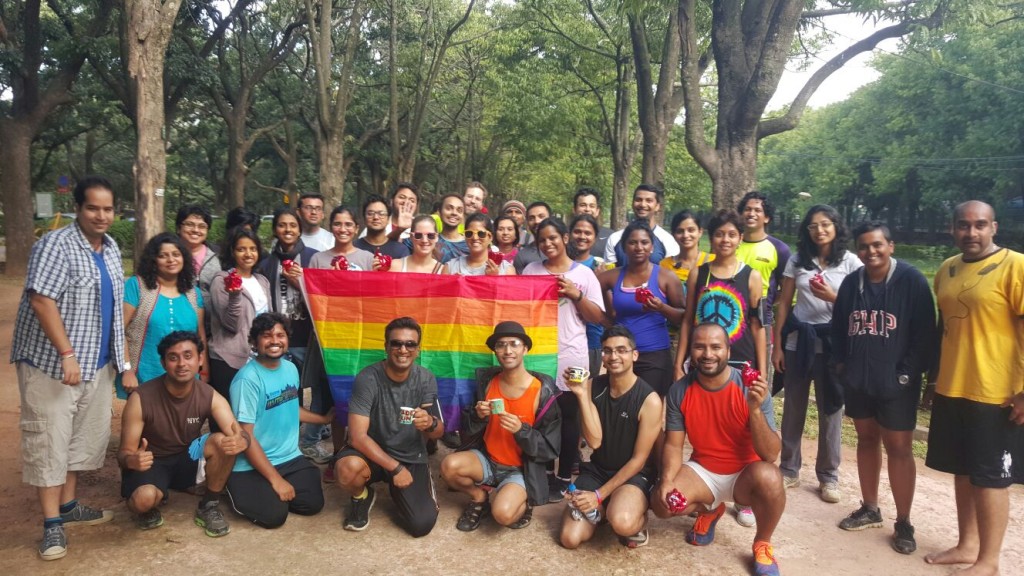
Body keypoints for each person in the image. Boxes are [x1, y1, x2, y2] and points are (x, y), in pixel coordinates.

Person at [12, 175, 126, 561]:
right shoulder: (55, 245)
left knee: (79, 437)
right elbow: (41, 299)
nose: (101, 215)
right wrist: (66, 353)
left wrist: (121, 362)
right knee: (49, 439)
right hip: (52, 364)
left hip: (97, 363)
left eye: (107, 209)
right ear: (78, 208)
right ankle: (51, 525)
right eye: (93, 207)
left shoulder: (110, 248)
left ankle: (68, 504)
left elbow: (112, 309)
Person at [923, 201, 1024, 574]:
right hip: (954, 387)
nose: (971, 233)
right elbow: (944, 328)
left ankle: (990, 560)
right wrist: (933, 381)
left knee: (991, 478)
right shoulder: (947, 269)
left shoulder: (1016, 266)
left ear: (994, 227)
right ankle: (967, 546)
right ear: (953, 229)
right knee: (962, 469)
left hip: (996, 393)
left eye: (980, 225)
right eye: (964, 226)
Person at [831, 221, 937, 555]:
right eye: (864, 246)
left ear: (890, 246)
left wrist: (907, 374)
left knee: (900, 448)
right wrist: (843, 367)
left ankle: (903, 520)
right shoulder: (852, 283)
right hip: (860, 379)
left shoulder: (912, 281)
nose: (871, 252)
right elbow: (838, 328)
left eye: (877, 245)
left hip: (897, 383)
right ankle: (870, 507)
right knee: (865, 440)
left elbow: (925, 335)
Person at [653, 323, 784, 576]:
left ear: (728, 350)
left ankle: (762, 543)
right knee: (662, 505)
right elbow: (673, 443)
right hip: (704, 471)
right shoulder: (680, 390)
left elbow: (770, 455)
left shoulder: (751, 387)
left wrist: (755, 410)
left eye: (715, 347)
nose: (708, 354)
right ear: (691, 350)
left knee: (771, 477)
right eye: (700, 347)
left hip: (747, 474)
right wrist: (666, 480)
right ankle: (710, 511)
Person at [772, 204, 861, 504]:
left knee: (831, 410)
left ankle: (828, 476)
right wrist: (778, 345)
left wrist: (833, 297)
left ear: (837, 226)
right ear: (806, 230)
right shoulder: (798, 260)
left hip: (833, 345)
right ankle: (789, 468)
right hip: (799, 341)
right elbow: (784, 302)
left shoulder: (851, 263)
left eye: (825, 224)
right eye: (813, 226)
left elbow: (860, 307)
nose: (819, 230)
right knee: (794, 406)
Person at [118, 331, 245, 536]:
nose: (181, 364)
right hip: (153, 462)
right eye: (173, 357)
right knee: (144, 500)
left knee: (224, 441)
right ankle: (151, 498)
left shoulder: (209, 395)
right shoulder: (141, 398)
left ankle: (209, 505)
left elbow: (237, 432)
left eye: (188, 356)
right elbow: (124, 453)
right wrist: (132, 460)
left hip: (187, 458)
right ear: (163, 362)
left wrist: (241, 441)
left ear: (200, 359)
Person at [441, 321, 562, 531]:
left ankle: (523, 501)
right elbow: (468, 434)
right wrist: (478, 416)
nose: (507, 351)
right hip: (488, 460)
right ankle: (479, 498)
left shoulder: (542, 392)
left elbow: (550, 449)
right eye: (501, 345)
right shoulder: (487, 382)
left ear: (525, 349)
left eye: (514, 344)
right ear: (495, 351)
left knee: (503, 515)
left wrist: (521, 431)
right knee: (449, 466)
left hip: (520, 469)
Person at [335, 317, 444, 536]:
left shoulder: (426, 378)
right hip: (371, 452)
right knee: (347, 469)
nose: (403, 349)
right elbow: (357, 437)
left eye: (410, 344)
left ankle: (410, 486)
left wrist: (430, 424)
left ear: (418, 349)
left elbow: (440, 431)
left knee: (421, 525)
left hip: (410, 454)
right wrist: (395, 468)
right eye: (396, 343)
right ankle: (361, 496)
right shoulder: (367, 378)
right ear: (386, 346)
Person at [523, 218, 606, 498]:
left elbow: (599, 317)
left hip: (573, 354)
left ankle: (562, 475)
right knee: (542, 414)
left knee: (571, 416)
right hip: (537, 354)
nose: (548, 244)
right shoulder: (531, 271)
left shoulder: (584, 274)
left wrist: (575, 294)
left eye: (553, 238)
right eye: (542, 240)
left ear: (565, 237)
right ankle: (544, 470)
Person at [559, 325, 661, 550]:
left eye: (621, 350)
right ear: (602, 356)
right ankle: (603, 510)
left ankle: (637, 517)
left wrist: (598, 495)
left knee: (623, 523)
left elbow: (639, 460)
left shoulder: (649, 400)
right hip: (598, 471)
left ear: (634, 355)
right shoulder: (593, 385)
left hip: (633, 476)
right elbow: (594, 442)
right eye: (607, 350)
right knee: (570, 538)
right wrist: (581, 394)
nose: (614, 356)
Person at [225, 313, 331, 528]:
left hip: (288, 458)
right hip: (250, 464)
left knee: (312, 504)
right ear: (255, 342)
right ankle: (233, 487)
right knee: (274, 517)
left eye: (280, 335)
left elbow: (289, 406)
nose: (275, 341)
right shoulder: (247, 379)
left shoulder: (290, 369)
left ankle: (269, 491)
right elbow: (246, 437)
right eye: (266, 336)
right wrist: (276, 480)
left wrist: (323, 419)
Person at [258, 208, 327, 464]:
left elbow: (321, 296)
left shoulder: (313, 258)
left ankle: (311, 441)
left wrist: (299, 282)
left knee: (317, 389)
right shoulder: (266, 262)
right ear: (275, 229)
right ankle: (288, 443)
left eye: (292, 225)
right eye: (282, 225)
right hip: (278, 340)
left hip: (309, 337)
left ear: (299, 229)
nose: (288, 230)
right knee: (288, 392)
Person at [675, 209, 766, 379]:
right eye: (719, 234)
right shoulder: (697, 274)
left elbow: (757, 325)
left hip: (741, 362)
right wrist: (678, 364)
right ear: (710, 238)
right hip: (703, 360)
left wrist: (763, 371)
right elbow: (688, 320)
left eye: (732, 235)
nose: (725, 240)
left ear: (740, 239)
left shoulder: (752, 277)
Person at [598, 219, 685, 397]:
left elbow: (683, 317)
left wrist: (662, 308)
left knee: (651, 410)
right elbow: (592, 293)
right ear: (624, 246)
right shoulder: (611, 277)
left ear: (652, 246)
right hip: (620, 355)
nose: (639, 247)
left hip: (654, 355)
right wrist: (609, 317)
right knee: (619, 407)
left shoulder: (666, 277)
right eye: (632, 242)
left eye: (644, 242)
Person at [122, 233, 208, 396]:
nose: (171, 260)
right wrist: (127, 369)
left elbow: (200, 335)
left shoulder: (193, 293)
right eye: (163, 256)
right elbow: (119, 330)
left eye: (176, 254)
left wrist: (204, 371)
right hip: (143, 377)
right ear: (153, 260)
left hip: (186, 376)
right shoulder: (137, 286)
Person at [208, 227, 271, 429]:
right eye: (241, 249)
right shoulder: (221, 280)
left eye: (252, 248)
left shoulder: (262, 281)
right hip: (230, 360)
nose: (248, 254)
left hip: (258, 359)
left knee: (253, 415)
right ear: (232, 252)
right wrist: (234, 295)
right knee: (228, 419)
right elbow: (231, 325)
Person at [735, 192, 792, 330]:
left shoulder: (780, 249)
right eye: (747, 209)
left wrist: (767, 303)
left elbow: (786, 291)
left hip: (761, 318)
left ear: (766, 218)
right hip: (730, 311)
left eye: (757, 210)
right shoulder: (730, 244)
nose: (751, 213)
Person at [603, 184, 680, 265]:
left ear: (657, 206)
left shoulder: (668, 241)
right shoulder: (615, 238)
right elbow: (609, 272)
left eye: (649, 200)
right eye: (638, 200)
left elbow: (671, 273)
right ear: (632, 203)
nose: (643, 205)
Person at [570, 213, 607, 377]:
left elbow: (605, 310)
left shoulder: (601, 267)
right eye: (577, 232)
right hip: (560, 340)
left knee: (583, 393)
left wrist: (600, 282)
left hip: (590, 342)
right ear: (568, 234)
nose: (582, 237)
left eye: (588, 233)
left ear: (595, 237)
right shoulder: (558, 264)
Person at [175, 204, 220, 309]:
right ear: (178, 228)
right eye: (189, 224)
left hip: (210, 320)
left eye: (202, 226)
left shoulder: (218, 257)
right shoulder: (169, 256)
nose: (195, 230)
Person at [659, 209, 713, 295]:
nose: (685, 235)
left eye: (691, 230)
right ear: (673, 235)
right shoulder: (664, 265)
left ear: (700, 232)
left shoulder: (713, 261)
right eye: (680, 231)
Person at [310, 206, 376, 271]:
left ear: (356, 229)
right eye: (337, 224)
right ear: (330, 228)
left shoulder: (368, 259)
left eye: (348, 224)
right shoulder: (317, 259)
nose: (342, 230)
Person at [446, 213, 513, 275]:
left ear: (490, 237)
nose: (475, 238)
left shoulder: (506, 270)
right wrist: (454, 283)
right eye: (469, 233)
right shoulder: (451, 268)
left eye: (481, 234)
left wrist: (494, 278)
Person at [354, 194, 411, 259]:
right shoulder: (354, 248)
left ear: (388, 218)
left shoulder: (400, 250)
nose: (376, 217)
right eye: (370, 213)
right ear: (364, 218)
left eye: (381, 214)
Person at [512, 201, 552, 273]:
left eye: (541, 216)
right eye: (531, 218)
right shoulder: (522, 256)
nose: (537, 221)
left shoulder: (565, 250)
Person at [573, 187, 614, 257]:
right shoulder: (564, 234)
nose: (587, 209)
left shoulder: (611, 236)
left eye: (592, 206)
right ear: (574, 210)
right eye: (583, 205)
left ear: (597, 211)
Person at [434, 194, 470, 264]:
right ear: (439, 211)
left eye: (459, 210)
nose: (454, 213)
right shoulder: (430, 241)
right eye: (449, 208)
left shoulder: (470, 243)